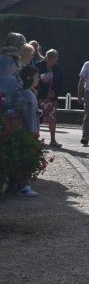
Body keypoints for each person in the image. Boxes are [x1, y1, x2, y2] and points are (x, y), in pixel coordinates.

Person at [11, 65, 41, 197]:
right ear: (30, 78)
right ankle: (24, 186)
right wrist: (32, 134)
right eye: (36, 76)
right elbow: (28, 116)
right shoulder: (27, 95)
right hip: (28, 131)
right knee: (25, 159)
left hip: (27, 130)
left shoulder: (28, 93)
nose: (39, 79)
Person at [36, 49, 62, 148]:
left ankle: (53, 140)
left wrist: (55, 92)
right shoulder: (39, 66)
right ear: (47, 58)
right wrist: (43, 92)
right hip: (40, 97)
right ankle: (35, 138)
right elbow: (35, 81)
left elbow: (60, 82)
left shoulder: (58, 69)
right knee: (37, 118)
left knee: (52, 119)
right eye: (52, 60)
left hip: (52, 98)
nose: (54, 63)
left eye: (56, 60)